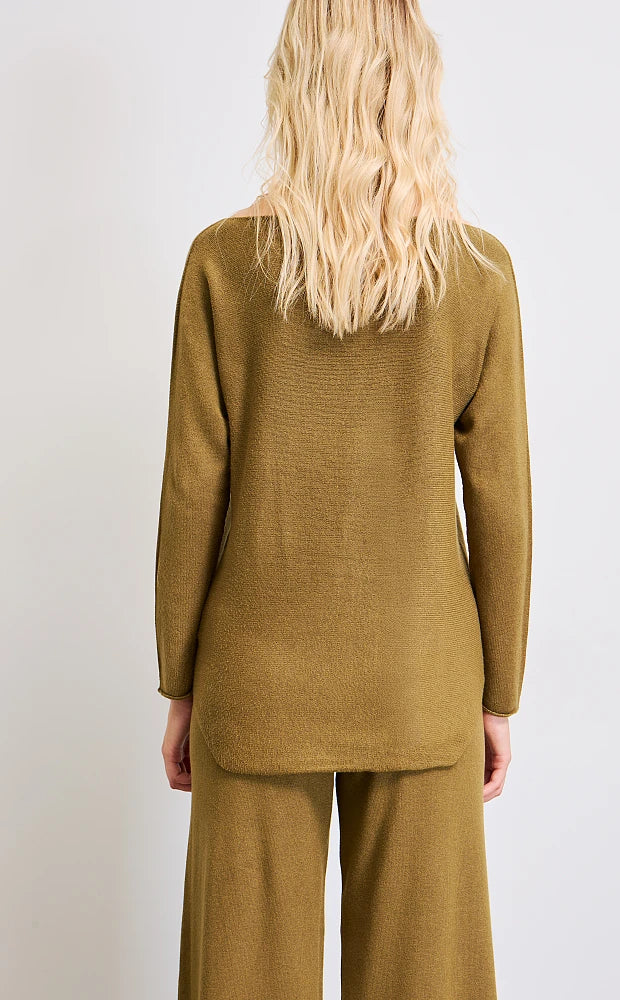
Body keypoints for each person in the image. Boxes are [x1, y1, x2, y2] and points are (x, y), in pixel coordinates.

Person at [154, 1, 532, 997]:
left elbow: (192, 487)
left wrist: (180, 681)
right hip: (421, 677)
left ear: (295, 84)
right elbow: (501, 502)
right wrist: (496, 694)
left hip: (256, 680)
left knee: (239, 979)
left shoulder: (221, 264)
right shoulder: (479, 274)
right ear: (414, 85)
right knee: (426, 980)